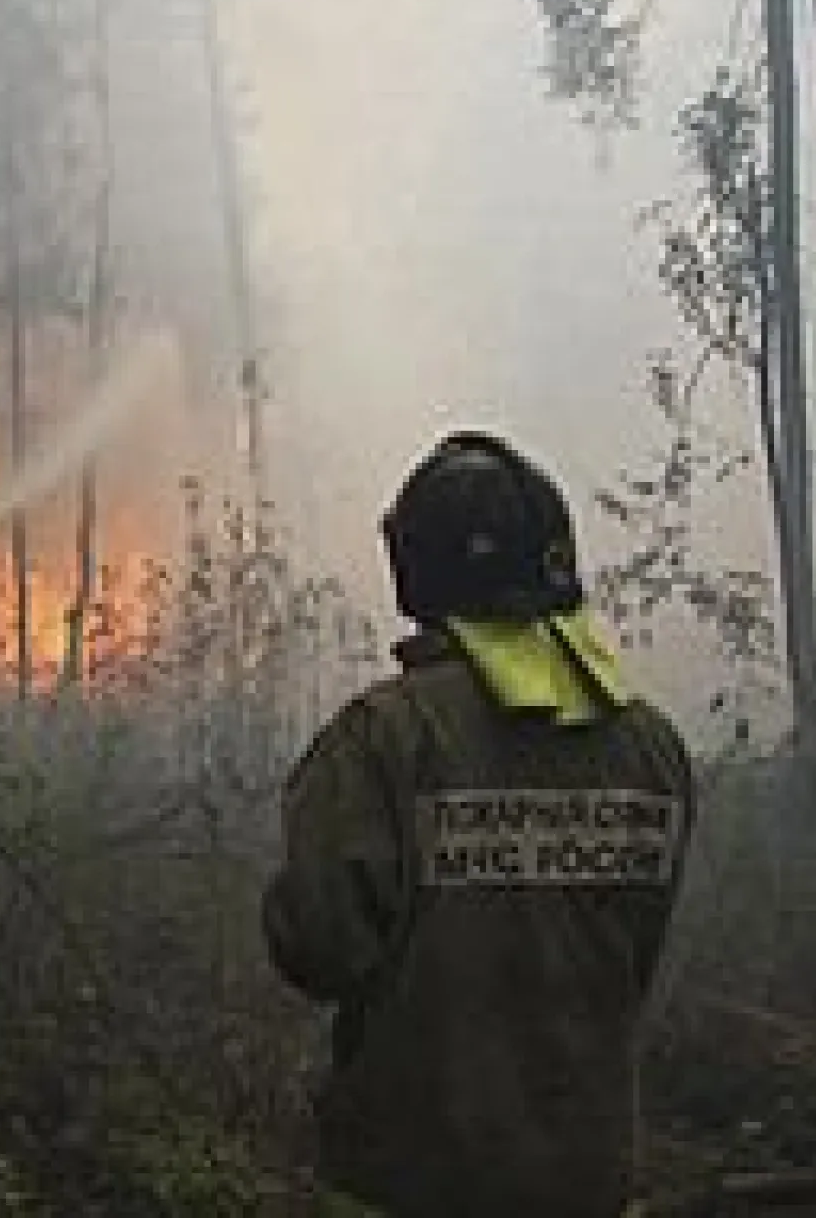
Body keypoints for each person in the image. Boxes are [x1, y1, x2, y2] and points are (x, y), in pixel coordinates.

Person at [262, 431, 698, 1218]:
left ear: (415, 572)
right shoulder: (652, 747)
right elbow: (633, 953)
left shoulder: (386, 737)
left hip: (410, 1181)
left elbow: (318, 947)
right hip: (588, 1181)